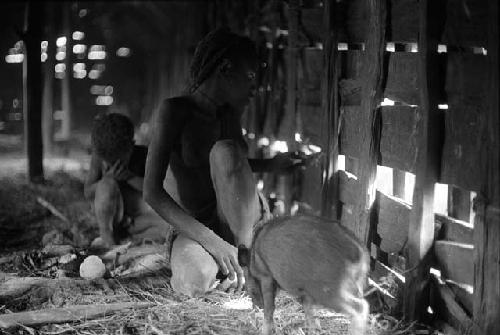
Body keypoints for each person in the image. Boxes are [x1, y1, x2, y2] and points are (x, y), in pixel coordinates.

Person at [144, 27, 305, 297]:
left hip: (244, 225)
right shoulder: (174, 111)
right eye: (251, 75)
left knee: (225, 151)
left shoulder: (228, 116)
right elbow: (152, 192)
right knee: (195, 282)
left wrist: (271, 165)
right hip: (198, 226)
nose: (256, 87)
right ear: (226, 68)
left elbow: (230, 170)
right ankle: (235, 266)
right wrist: (213, 243)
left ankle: (247, 260)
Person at [84, 112, 170, 248]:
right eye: (110, 163)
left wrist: (129, 177)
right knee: (106, 186)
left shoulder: (144, 155)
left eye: (120, 161)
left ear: (132, 146)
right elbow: (88, 192)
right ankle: (108, 240)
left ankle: (130, 239)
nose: (115, 165)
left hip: (138, 221)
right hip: (110, 220)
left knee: (169, 226)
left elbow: (158, 190)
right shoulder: (98, 158)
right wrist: (107, 178)